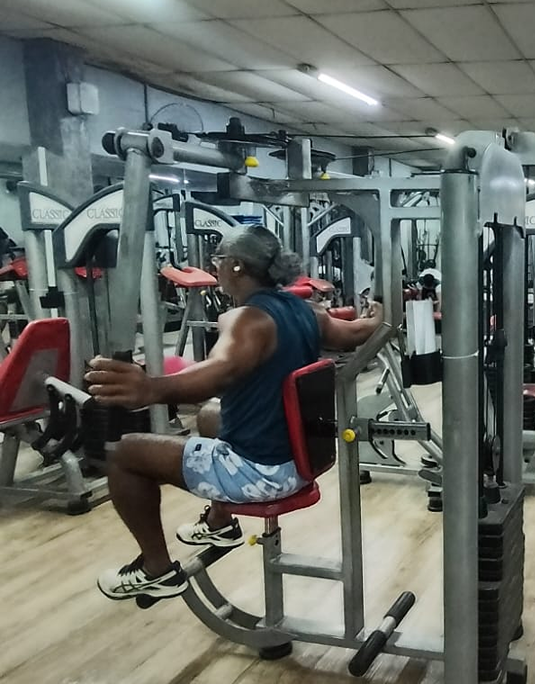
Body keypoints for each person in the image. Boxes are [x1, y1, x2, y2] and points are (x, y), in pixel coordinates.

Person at [87, 225, 383, 601]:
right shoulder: (307, 311)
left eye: (219, 260)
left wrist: (149, 388)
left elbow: (221, 372)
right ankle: (219, 522)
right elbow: (355, 332)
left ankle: (156, 569)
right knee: (211, 416)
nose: (216, 268)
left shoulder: (245, 320)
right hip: (300, 461)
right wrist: (379, 316)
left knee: (125, 453)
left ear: (237, 266)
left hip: (260, 474)